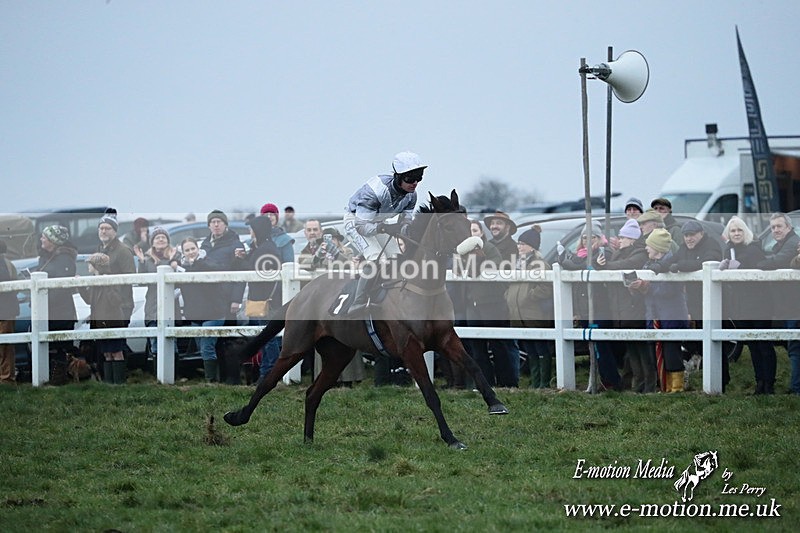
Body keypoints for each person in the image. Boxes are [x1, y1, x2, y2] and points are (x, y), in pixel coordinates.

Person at [343, 151, 423, 314]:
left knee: (396, 259)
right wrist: (385, 228)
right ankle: (358, 302)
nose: (414, 183)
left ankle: (389, 297)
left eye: (419, 177)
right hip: (356, 223)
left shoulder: (411, 196)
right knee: (376, 259)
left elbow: (406, 222)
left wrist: (406, 230)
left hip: (378, 223)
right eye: (410, 178)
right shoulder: (375, 192)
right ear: (398, 176)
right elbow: (362, 227)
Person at [558, 222, 620, 391]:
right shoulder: (581, 254)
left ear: (599, 238)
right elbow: (575, 265)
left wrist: (569, 260)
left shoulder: (604, 251)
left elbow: (580, 265)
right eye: (584, 237)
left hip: (600, 306)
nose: (587, 240)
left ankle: (611, 382)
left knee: (602, 348)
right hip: (585, 306)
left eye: (591, 237)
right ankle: (598, 380)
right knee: (592, 347)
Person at [720, 216, 777, 394]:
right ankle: (759, 382)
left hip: (760, 303)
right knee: (752, 344)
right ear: (728, 233)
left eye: (739, 230)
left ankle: (769, 384)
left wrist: (732, 265)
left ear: (745, 231)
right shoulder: (729, 249)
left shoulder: (753, 248)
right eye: (733, 230)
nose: (736, 233)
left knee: (764, 344)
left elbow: (744, 263)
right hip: (741, 303)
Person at [597, 219, 655, 392]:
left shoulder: (638, 253)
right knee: (632, 351)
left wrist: (606, 266)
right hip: (621, 309)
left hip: (633, 308)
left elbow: (627, 266)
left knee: (643, 350)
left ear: (631, 239)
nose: (619, 240)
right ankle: (637, 385)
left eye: (623, 237)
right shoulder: (618, 253)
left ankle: (649, 385)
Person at [630, 228, 690, 393]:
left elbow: (669, 291)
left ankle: (676, 387)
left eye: (649, 245)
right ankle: (664, 386)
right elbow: (647, 291)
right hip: (654, 316)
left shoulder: (672, 264)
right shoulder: (647, 264)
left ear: (658, 247)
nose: (646, 248)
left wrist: (645, 288)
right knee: (656, 353)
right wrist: (635, 287)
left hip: (672, 316)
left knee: (672, 354)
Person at [195, 209, 246, 382]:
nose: (216, 225)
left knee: (229, 341)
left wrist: (236, 299)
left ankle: (232, 378)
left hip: (227, 297)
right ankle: (216, 379)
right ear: (209, 225)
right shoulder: (205, 245)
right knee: (212, 341)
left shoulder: (235, 244)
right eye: (213, 222)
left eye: (219, 222)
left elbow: (240, 274)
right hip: (209, 299)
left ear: (225, 224)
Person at [235, 215, 282, 385]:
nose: (250, 232)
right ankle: (266, 372)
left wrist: (242, 261)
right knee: (266, 338)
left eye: (252, 229)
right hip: (261, 300)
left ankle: (269, 373)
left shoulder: (266, 249)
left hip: (265, 301)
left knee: (268, 339)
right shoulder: (263, 247)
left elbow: (258, 273)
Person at [505, 226, 554, 389]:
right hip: (518, 313)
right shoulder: (516, 264)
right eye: (518, 243)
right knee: (530, 350)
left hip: (534, 312)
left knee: (541, 348)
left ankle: (544, 382)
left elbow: (546, 287)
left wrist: (530, 296)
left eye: (523, 244)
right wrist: (508, 295)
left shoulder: (540, 264)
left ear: (532, 246)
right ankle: (534, 381)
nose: (519, 247)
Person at [757, 212, 800, 394]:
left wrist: (755, 262)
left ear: (789, 228)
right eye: (773, 227)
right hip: (788, 303)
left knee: (795, 347)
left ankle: (796, 388)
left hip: (794, 304)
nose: (775, 230)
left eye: (779, 226)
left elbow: (778, 261)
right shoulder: (782, 244)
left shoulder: (792, 244)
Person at [36, 224, 79, 382]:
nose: (41, 239)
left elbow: (61, 288)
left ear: (53, 241)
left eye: (45, 237)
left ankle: (59, 379)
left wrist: (45, 300)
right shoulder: (45, 258)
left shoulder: (64, 259)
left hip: (61, 312)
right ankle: (49, 378)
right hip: (47, 311)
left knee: (60, 347)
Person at [78, 253, 127, 384]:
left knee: (116, 352)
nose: (88, 266)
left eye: (90, 264)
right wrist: (81, 287)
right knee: (106, 353)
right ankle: (110, 382)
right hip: (100, 323)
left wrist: (107, 285)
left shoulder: (111, 280)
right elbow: (89, 300)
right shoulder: (94, 281)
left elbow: (116, 301)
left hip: (112, 322)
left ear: (96, 266)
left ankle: (119, 382)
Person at [133, 226, 181, 357]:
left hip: (171, 305)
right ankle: (157, 374)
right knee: (154, 342)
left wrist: (172, 260)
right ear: (152, 242)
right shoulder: (147, 260)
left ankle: (174, 373)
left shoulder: (176, 255)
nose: (161, 239)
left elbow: (180, 280)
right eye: (157, 237)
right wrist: (141, 262)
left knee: (172, 341)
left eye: (163, 237)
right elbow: (141, 281)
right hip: (153, 306)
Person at [97, 209, 135, 323]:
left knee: (118, 340)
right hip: (104, 305)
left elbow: (131, 276)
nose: (104, 231)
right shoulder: (99, 249)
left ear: (115, 231)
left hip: (121, 305)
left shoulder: (123, 250)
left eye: (108, 228)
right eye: (101, 228)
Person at [0, 241, 19, 384]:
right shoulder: (8, 264)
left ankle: (6, 378)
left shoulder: (5, 265)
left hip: (5, 310)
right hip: (8, 309)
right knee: (6, 347)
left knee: (5, 347)